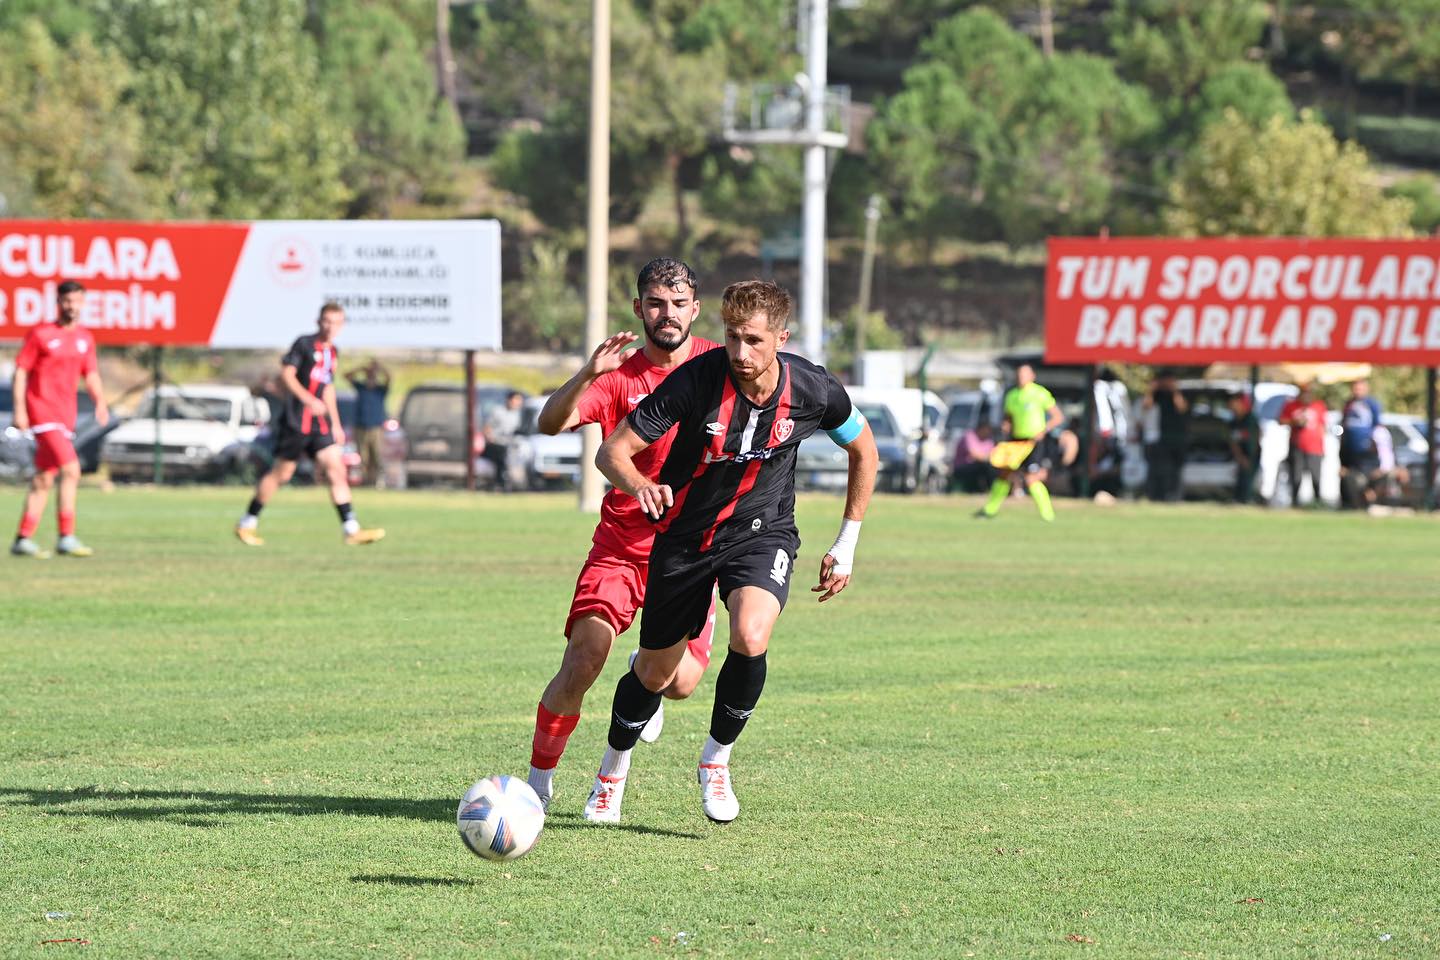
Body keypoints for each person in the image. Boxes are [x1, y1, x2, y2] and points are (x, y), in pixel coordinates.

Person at [582, 279, 878, 824]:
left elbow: (864, 449)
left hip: (762, 533)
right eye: (732, 338)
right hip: (685, 539)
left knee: (751, 634)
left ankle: (716, 761)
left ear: (780, 339)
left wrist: (847, 542)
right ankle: (611, 772)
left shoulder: (814, 389)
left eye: (754, 341)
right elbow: (612, 451)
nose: (740, 353)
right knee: (655, 675)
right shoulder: (695, 381)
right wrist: (638, 485)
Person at [525, 258, 723, 814]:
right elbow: (550, 423)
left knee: (680, 683)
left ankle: (647, 670)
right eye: (656, 303)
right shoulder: (617, 375)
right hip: (621, 548)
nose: (667, 315)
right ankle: (539, 783)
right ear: (639, 308)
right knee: (585, 656)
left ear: (694, 309)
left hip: (692, 552)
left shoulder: (718, 363)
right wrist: (587, 374)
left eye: (678, 304)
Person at [234, 303, 384, 546]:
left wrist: (335, 422)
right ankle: (247, 523)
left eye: (335, 322)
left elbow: (327, 388)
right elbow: (287, 375)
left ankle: (351, 529)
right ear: (318, 321)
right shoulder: (304, 344)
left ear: (342, 325)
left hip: (319, 424)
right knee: (282, 474)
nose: (330, 326)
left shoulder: (333, 352)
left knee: (337, 469)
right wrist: (307, 400)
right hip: (296, 421)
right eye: (326, 321)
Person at [10, 281, 109, 558]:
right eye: (67, 301)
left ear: (83, 303)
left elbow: (90, 373)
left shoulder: (84, 338)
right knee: (72, 470)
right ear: (58, 302)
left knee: (44, 478)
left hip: (66, 417)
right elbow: (20, 372)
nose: (72, 307)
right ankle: (66, 535)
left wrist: (100, 401)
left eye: (77, 302)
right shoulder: (41, 334)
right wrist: (21, 410)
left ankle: (22, 538)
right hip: (42, 413)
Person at [977, 363, 1064, 521]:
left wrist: (1043, 430)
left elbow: (1057, 416)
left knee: (1031, 478)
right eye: (1019, 374)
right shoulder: (1012, 395)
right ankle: (989, 510)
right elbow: (1008, 418)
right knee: (1004, 474)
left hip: (1033, 442)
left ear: (1032, 376)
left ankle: (1048, 514)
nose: (1021, 378)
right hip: (1016, 441)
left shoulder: (1039, 393)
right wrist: (1006, 425)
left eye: (1024, 374)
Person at [1278, 383, 1328, 507]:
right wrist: (1294, 422)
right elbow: (1280, 420)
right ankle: (1295, 502)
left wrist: (1323, 447)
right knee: (1296, 476)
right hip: (1297, 446)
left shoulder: (1319, 406)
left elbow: (1323, 426)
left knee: (1316, 477)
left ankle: (1317, 502)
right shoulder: (1292, 405)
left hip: (1315, 448)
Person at [1143, 371, 1189, 502]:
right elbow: (1146, 406)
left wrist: (1174, 390)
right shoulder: (1157, 395)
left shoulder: (1179, 394)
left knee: (1176, 471)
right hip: (1159, 439)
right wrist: (1152, 389)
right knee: (1158, 469)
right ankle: (1156, 495)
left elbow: (1182, 407)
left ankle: (1174, 496)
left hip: (1177, 439)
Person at [345, 358, 391, 487]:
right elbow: (346, 376)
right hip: (361, 426)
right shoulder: (361, 388)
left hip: (376, 427)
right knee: (363, 456)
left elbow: (389, 378)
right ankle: (365, 481)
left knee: (376, 455)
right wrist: (361, 368)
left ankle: (377, 481)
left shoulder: (380, 390)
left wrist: (379, 367)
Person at [1339, 379, 1382, 509]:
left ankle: (1367, 505)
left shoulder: (1371, 404)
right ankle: (1349, 505)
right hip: (1349, 450)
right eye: (1355, 388)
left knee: (1366, 480)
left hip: (1366, 451)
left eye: (1360, 388)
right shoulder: (1348, 404)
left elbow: (1377, 427)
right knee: (1348, 477)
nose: (1357, 391)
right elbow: (1344, 424)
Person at [482, 390, 524, 491]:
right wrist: (490, 438)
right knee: (502, 455)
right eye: (516, 400)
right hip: (495, 444)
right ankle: (500, 483)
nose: (518, 403)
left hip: (509, 445)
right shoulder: (498, 411)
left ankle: (515, 483)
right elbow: (487, 428)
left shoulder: (517, 415)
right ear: (509, 400)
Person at [1227, 393, 1261, 504]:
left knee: (1248, 477)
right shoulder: (1233, 422)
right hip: (1241, 454)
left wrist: (1249, 457)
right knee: (1241, 477)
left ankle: (1247, 499)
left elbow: (1257, 437)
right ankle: (1239, 499)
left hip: (1253, 453)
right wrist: (1240, 457)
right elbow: (1233, 441)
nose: (1231, 406)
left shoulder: (1250, 419)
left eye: (1234, 404)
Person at [951, 420, 995, 493]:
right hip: (963, 467)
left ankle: (992, 490)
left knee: (992, 468)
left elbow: (992, 455)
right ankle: (989, 489)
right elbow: (974, 454)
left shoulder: (988, 440)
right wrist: (986, 458)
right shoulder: (969, 436)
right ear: (981, 428)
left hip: (980, 466)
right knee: (985, 466)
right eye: (987, 429)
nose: (988, 432)